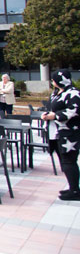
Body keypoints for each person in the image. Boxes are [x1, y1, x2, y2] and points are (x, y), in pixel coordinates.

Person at [41, 70, 80, 201]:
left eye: (53, 80)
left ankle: (75, 190)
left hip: (70, 133)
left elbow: (74, 110)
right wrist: (46, 114)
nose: (52, 82)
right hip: (58, 132)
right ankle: (72, 186)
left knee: (69, 161)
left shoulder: (73, 93)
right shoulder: (57, 92)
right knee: (64, 160)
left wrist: (55, 116)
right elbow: (52, 107)